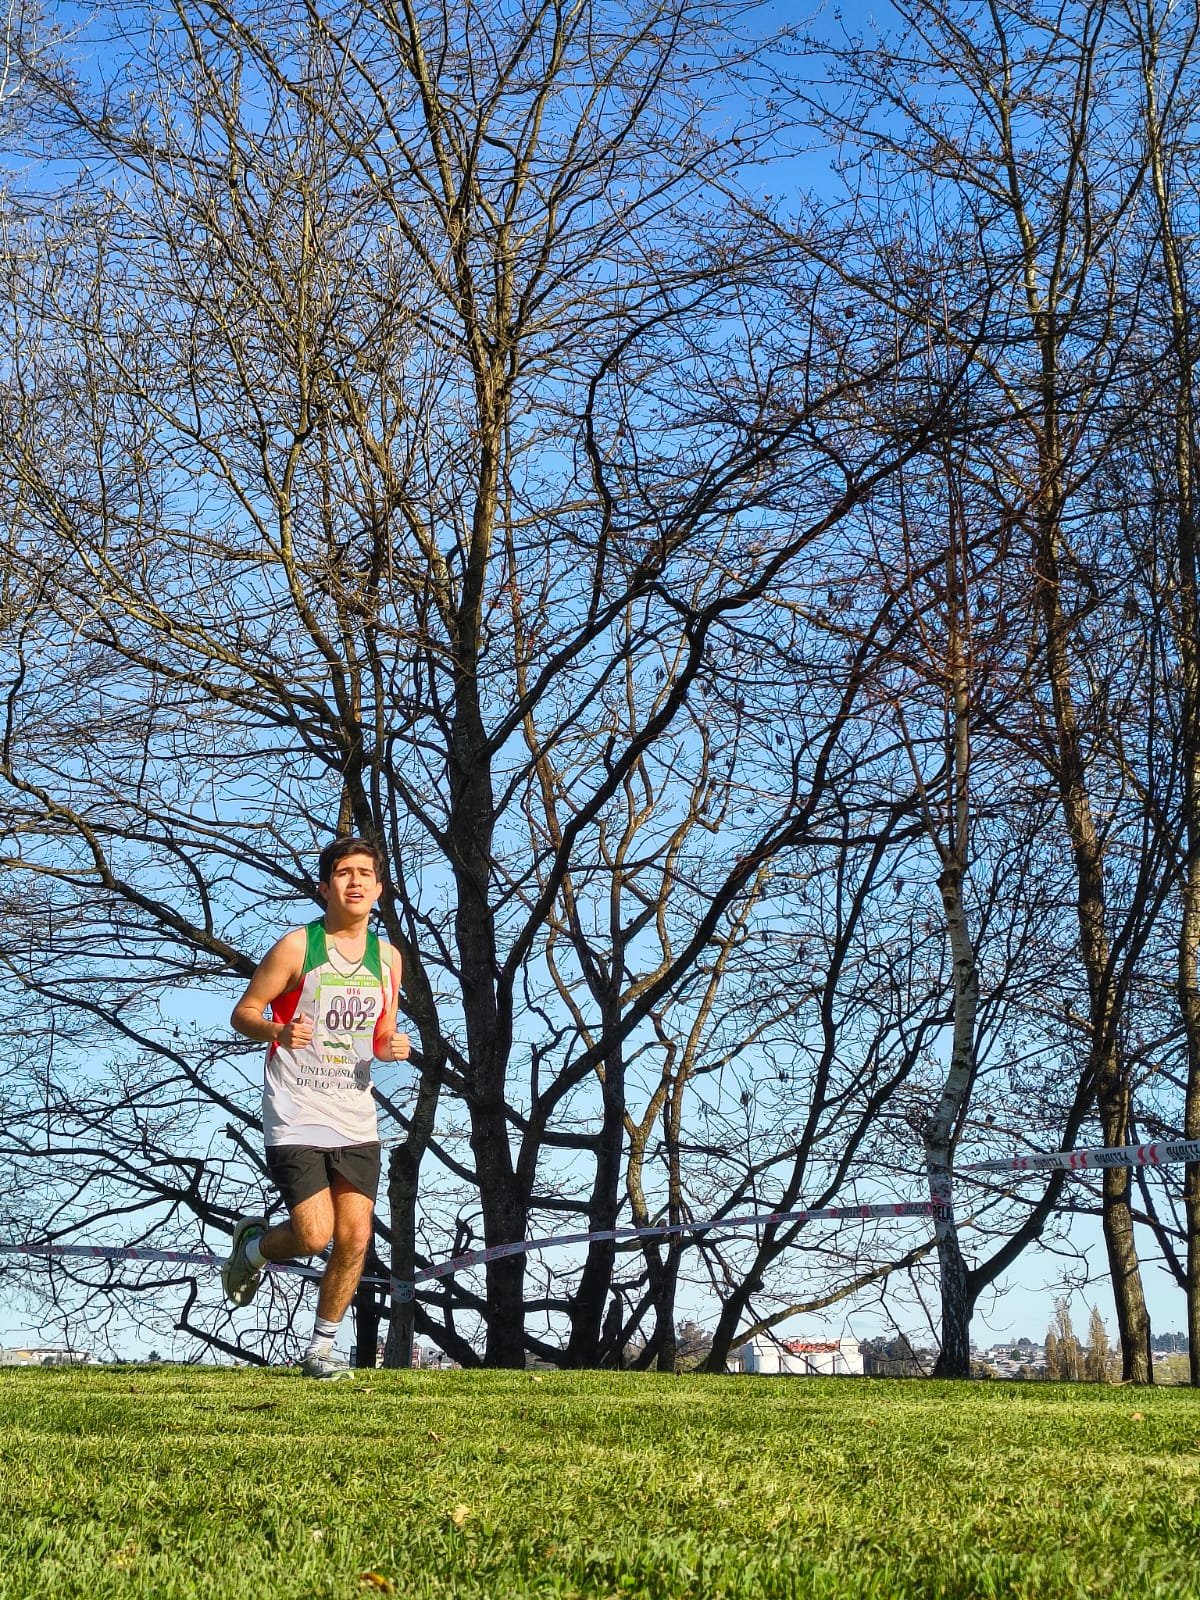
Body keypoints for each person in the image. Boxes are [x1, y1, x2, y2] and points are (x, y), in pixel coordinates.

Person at [222, 836, 410, 1379]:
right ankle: (254, 1248)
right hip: (296, 1107)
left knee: (355, 1237)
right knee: (313, 1236)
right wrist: (278, 1028)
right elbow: (244, 1012)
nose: (355, 883)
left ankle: (320, 1352)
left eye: (365, 874)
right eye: (344, 873)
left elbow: (381, 1034)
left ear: (378, 888)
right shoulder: (296, 947)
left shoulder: (388, 959)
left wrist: (392, 1046)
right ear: (326, 886)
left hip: (354, 1112)